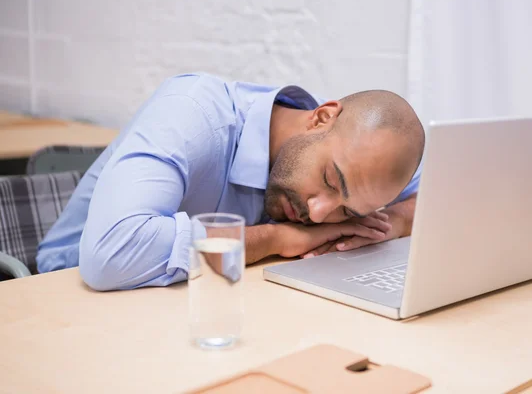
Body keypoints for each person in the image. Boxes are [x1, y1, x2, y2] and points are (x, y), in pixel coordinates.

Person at [36, 73, 425, 291]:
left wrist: (386, 224)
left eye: (347, 209)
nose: (320, 212)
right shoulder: (192, 114)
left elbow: (434, 193)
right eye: (328, 180)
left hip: (192, 301)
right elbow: (110, 255)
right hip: (66, 291)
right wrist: (277, 239)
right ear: (320, 117)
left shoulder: (353, 151)